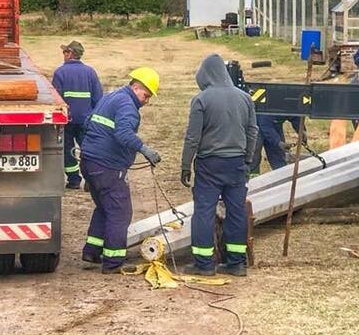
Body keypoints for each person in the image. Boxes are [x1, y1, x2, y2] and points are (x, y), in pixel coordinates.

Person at [180, 54, 259, 276]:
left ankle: (204, 264)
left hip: (209, 164)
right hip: (237, 164)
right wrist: (247, 158)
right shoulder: (245, 98)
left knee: (204, 211)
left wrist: (186, 165)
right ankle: (237, 263)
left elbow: (192, 137)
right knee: (236, 211)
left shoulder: (201, 100)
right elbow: (253, 131)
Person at [79, 67, 162, 272]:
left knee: (104, 207)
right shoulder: (127, 106)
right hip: (107, 167)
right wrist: (145, 150)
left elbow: (88, 121)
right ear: (136, 87)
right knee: (120, 212)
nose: (146, 101)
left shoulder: (111, 97)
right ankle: (113, 262)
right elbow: (124, 134)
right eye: (146, 95)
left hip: (90, 161)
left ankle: (92, 250)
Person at [50, 40, 103, 190]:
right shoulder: (90, 72)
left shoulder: (60, 72)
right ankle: (91, 180)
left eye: (65, 52)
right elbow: (98, 98)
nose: (63, 55)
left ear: (71, 54)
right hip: (87, 120)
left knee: (68, 150)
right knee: (88, 150)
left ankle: (73, 180)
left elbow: (56, 98)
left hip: (67, 120)